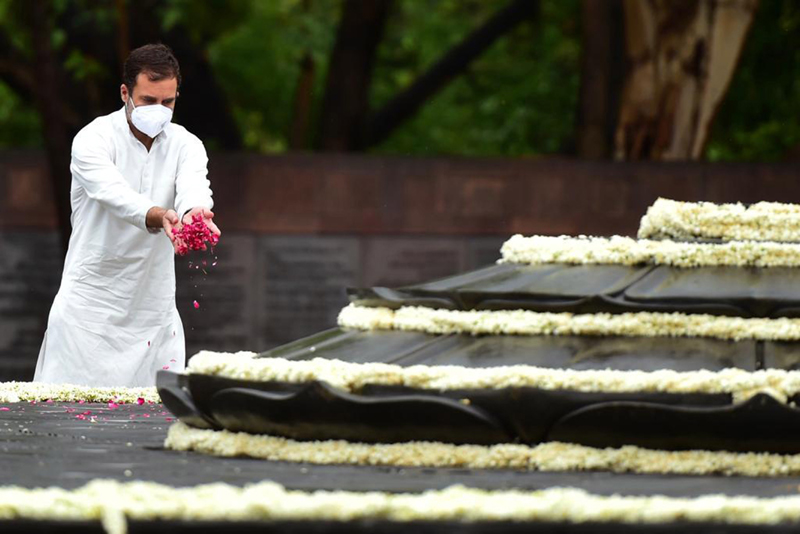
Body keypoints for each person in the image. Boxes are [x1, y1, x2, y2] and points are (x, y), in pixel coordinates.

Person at [33, 43, 221, 387]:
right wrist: (159, 214)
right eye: (149, 101)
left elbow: (194, 186)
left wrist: (195, 214)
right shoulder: (93, 139)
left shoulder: (186, 144)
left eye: (169, 102)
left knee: (155, 428)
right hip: (88, 310)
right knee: (69, 427)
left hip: (154, 310)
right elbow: (113, 194)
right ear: (125, 93)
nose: (159, 110)